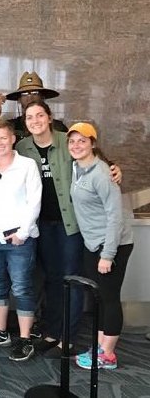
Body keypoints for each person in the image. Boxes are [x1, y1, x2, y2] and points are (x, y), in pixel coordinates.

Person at [16, 101, 122, 358]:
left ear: (49, 117)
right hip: (42, 224)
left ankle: (68, 338)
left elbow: (96, 159)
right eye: (29, 117)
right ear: (25, 122)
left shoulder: (68, 140)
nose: (35, 121)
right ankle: (52, 332)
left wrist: (114, 168)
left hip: (70, 224)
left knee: (71, 279)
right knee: (52, 279)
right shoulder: (22, 147)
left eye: (40, 115)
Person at [67, 123, 133, 370]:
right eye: (72, 141)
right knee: (101, 299)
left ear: (93, 143)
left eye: (82, 141)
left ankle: (108, 355)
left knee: (110, 298)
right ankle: (100, 348)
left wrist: (108, 254)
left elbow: (115, 216)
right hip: (93, 244)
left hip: (111, 244)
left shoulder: (102, 173)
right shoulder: (77, 168)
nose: (76, 145)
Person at [0, 119, 42, 361]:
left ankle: (24, 339)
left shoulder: (27, 165)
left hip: (20, 238)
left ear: (13, 139)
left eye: (3, 138)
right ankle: (1, 332)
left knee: (21, 286)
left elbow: (34, 201)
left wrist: (23, 233)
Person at [0, 71, 67, 141]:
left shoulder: (58, 127)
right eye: (25, 94)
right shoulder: (11, 127)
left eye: (35, 93)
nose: (30, 97)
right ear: (19, 100)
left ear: (42, 97)